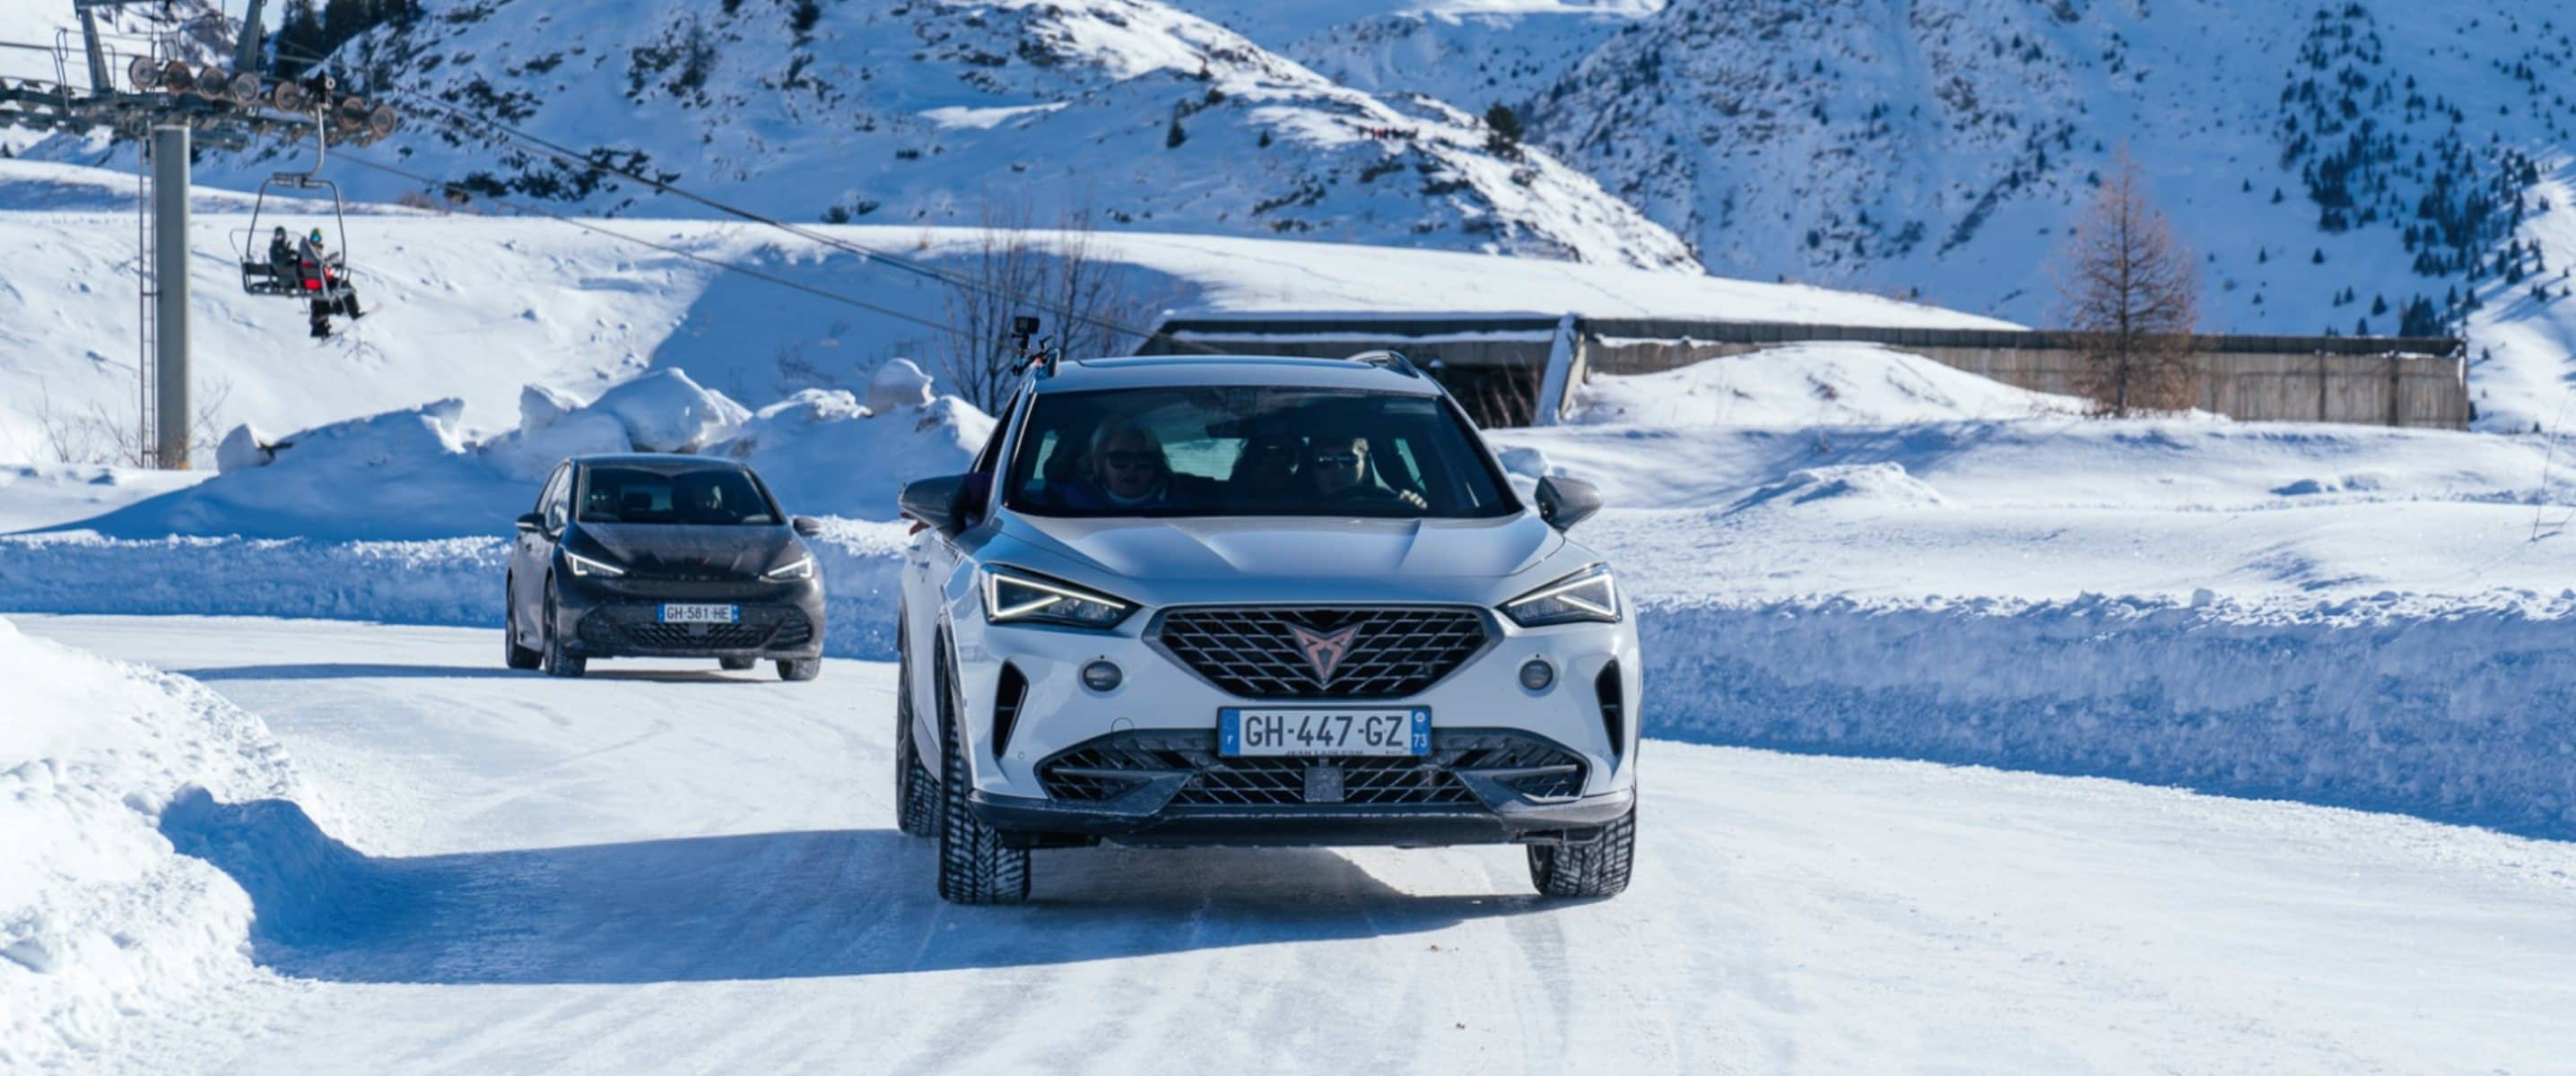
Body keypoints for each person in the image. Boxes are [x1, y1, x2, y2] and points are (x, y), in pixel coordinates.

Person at [1227, 433, 1304, 508]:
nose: (1274, 462)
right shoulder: (1229, 503)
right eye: (1264, 455)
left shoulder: (1305, 499)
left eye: (1284, 453)